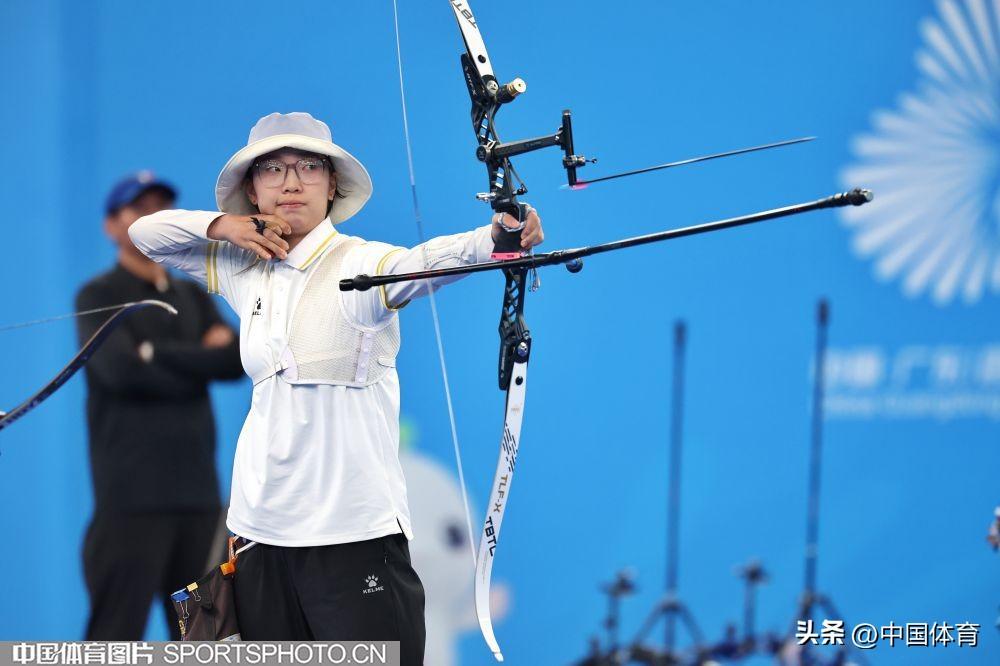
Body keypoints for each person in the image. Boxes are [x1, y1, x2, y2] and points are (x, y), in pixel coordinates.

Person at [128, 112, 544, 662]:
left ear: (332, 186)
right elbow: (146, 235)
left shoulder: (361, 264)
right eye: (272, 169)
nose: (291, 182)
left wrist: (494, 237)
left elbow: (421, 263)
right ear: (252, 189)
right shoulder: (241, 267)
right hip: (260, 536)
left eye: (309, 167)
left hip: (353, 535)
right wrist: (226, 226)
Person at [76, 172, 244, 640]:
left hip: (199, 499)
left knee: (205, 639)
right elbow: (120, 371)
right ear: (112, 225)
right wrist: (198, 357)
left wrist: (154, 352)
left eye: (161, 208)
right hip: (130, 501)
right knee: (115, 639)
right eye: (139, 208)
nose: (152, 217)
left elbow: (234, 361)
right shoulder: (99, 295)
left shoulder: (190, 293)